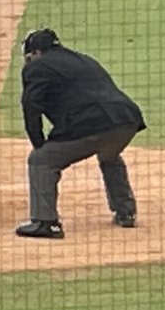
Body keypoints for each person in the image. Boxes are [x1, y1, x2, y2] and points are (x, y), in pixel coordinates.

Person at [15, 29, 145, 239]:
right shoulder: (83, 60)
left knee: (41, 160)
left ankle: (46, 222)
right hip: (126, 121)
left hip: (92, 123)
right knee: (109, 154)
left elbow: (31, 107)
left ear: (36, 52)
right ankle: (126, 212)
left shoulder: (37, 67)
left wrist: (39, 144)